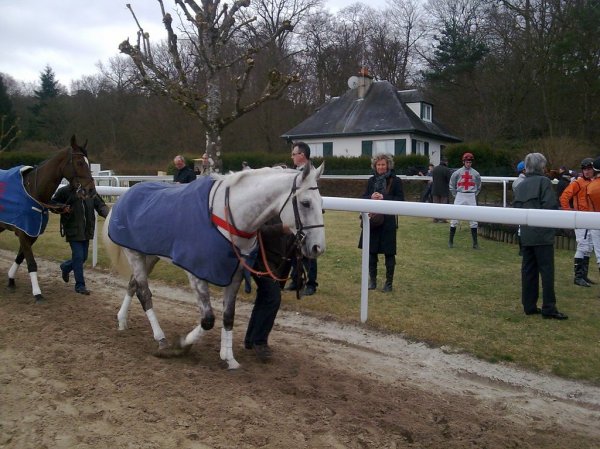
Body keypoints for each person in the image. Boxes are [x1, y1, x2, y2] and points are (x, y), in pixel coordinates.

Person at [512, 152, 568, 320]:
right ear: (541, 167)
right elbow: (550, 206)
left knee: (528, 271)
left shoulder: (520, 185)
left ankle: (529, 305)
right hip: (543, 235)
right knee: (547, 272)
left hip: (526, 234)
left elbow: (516, 208)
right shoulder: (544, 182)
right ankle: (549, 307)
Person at [244, 216, 294, 362]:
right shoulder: (268, 202)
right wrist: (283, 228)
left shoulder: (290, 207)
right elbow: (258, 229)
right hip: (261, 260)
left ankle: (251, 339)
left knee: (264, 298)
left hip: (280, 261)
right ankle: (259, 341)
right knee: (273, 298)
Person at [358, 153, 404, 292]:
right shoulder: (371, 180)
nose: (381, 167)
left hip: (388, 221)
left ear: (388, 165)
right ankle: (373, 281)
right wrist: (371, 196)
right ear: (375, 166)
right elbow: (364, 197)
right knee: (371, 252)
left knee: (389, 254)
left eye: (383, 164)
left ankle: (388, 283)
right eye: (378, 165)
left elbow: (400, 200)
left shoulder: (396, 181)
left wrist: (384, 197)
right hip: (373, 221)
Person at [52, 185, 110, 295]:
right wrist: (62, 207)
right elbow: (53, 204)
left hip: (86, 230)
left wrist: (109, 216)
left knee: (83, 257)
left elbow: (100, 205)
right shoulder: (65, 191)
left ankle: (65, 267)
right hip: (73, 230)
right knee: (78, 257)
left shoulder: (90, 190)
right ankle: (80, 285)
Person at [284, 141, 319, 296]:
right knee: (293, 249)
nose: (292, 157)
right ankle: (296, 279)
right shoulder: (294, 172)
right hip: (295, 216)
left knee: (309, 251)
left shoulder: (310, 172)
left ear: (301, 155)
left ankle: (311, 283)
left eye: (294, 154)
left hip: (307, 217)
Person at [559, 158, 595, 287]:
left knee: (588, 247)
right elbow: (564, 197)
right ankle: (578, 277)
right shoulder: (578, 183)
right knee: (583, 246)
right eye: (584, 169)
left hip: (591, 219)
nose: (586, 171)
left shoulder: (594, 182)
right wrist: (570, 212)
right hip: (581, 218)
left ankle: (583, 276)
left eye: (589, 169)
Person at [448, 152, 482, 249]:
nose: (468, 164)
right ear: (463, 162)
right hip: (460, 195)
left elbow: (479, 186)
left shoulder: (476, 173)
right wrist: (456, 195)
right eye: (467, 162)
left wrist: (474, 194)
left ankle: (475, 243)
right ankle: (450, 241)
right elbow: (451, 184)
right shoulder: (457, 173)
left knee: (474, 219)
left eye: (470, 162)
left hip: (471, 195)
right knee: (454, 217)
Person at [431, 157, 451, 222]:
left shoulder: (435, 169)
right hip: (444, 190)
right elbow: (449, 180)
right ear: (445, 162)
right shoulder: (447, 170)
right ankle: (443, 218)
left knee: (435, 204)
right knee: (443, 205)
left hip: (435, 189)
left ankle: (435, 218)